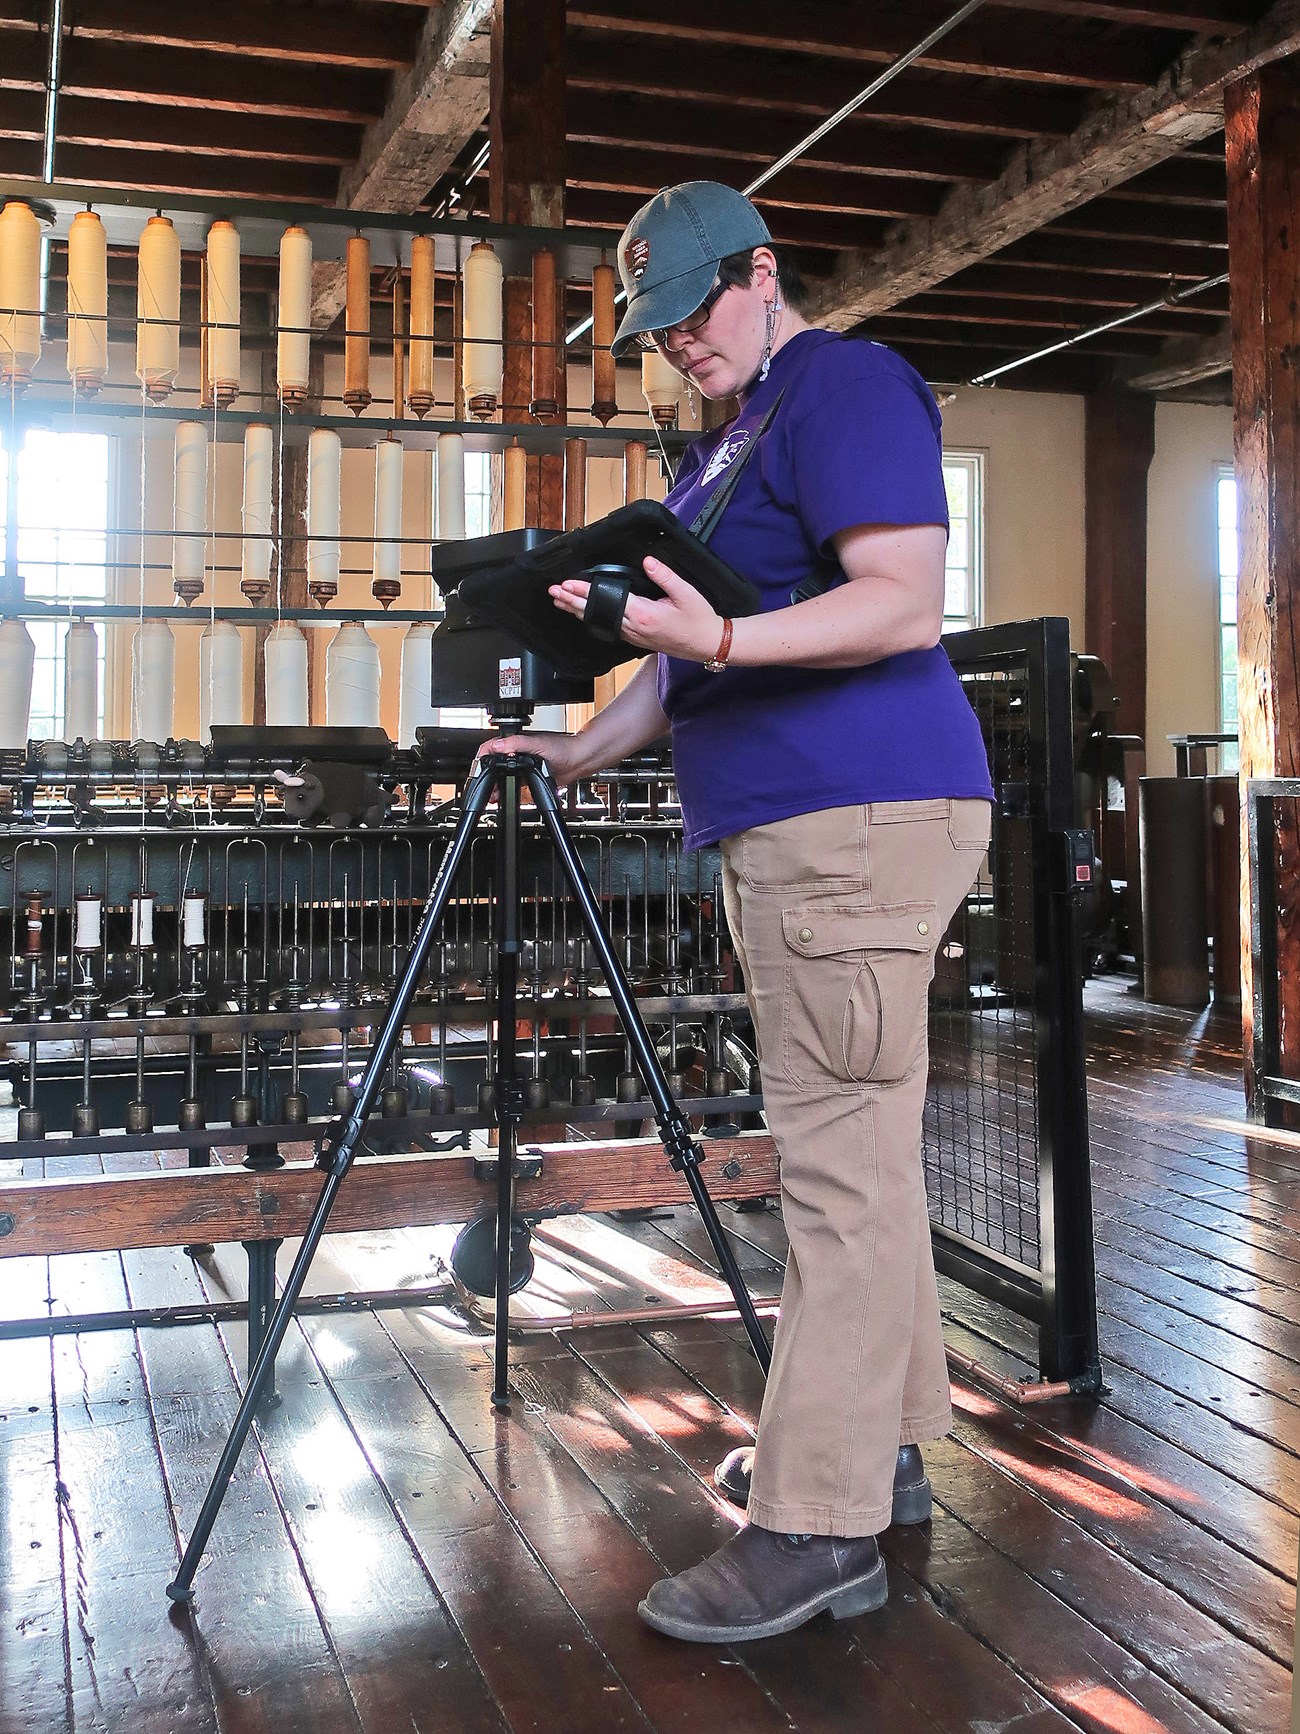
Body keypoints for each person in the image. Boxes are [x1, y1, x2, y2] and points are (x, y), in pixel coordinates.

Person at [481, 180, 995, 1643]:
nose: (678, 344)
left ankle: (812, 1526)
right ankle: (876, 1454)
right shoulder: (722, 451)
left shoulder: (840, 383)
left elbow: (901, 597)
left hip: (857, 810)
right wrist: (573, 745)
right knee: (864, 1145)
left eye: (695, 310)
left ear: (765, 272)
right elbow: (683, 664)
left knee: (832, 1164)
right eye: (658, 327)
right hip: (807, 817)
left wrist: (714, 629)